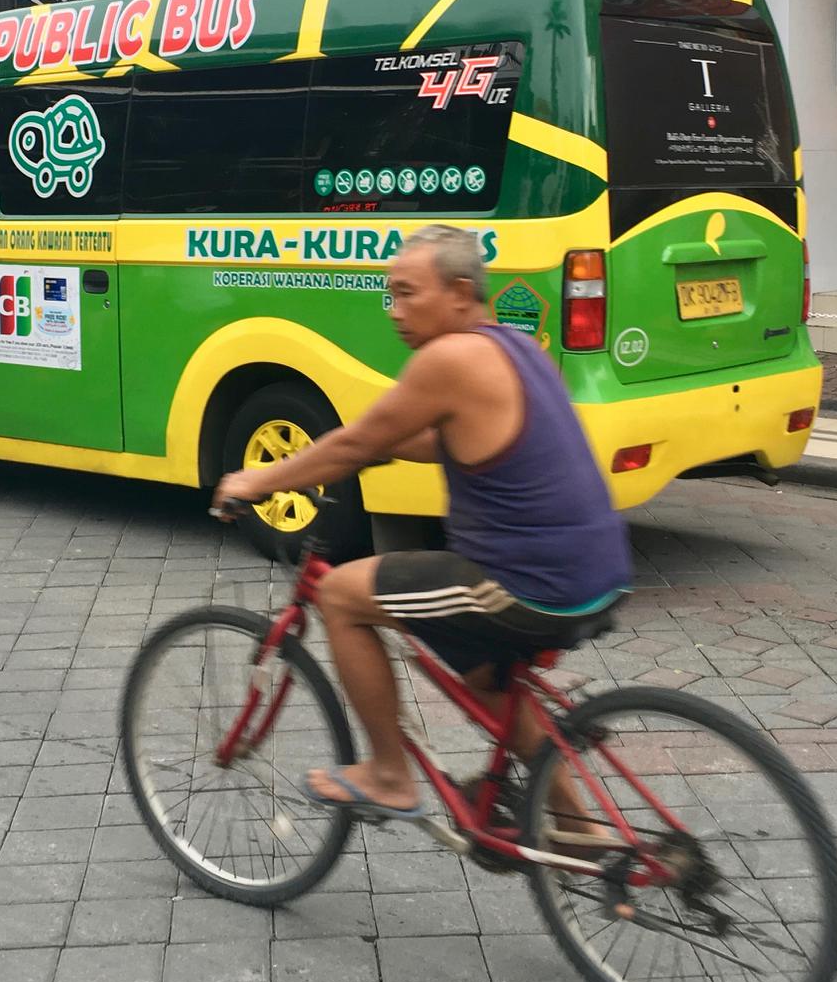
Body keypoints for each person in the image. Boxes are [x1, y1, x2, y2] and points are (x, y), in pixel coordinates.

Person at [213, 225, 633, 821]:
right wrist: (385, 444)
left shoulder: (450, 359)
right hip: (596, 570)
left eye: (408, 293)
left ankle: (388, 776)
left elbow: (351, 443)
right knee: (489, 681)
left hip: (520, 581)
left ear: (461, 293)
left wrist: (256, 479)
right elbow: (459, 439)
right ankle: (576, 826)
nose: (395, 311)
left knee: (339, 595)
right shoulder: (518, 346)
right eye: (390, 294)